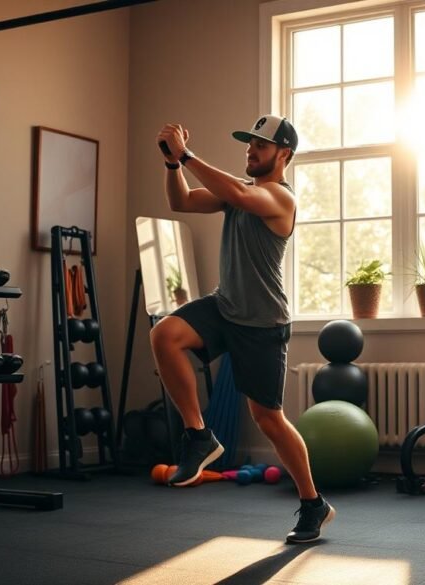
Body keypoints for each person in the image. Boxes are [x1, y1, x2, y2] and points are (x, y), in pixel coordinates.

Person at [150, 114, 334, 544]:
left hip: (262, 323)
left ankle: (313, 503)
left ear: (284, 154)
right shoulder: (239, 192)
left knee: (269, 419)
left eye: (260, 145)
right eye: (249, 143)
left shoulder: (279, 198)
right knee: (164, 334)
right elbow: (181, 202)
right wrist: (173, 165)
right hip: (225, 306)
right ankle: (198, 435)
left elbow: (236, 192)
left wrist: (186, 154)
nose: (250, 150)